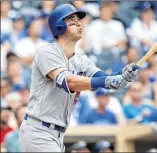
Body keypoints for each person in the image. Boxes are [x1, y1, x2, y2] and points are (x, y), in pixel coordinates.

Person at [18, 4, 138, 152]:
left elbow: (102, 78)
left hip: (56, 134)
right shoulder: (47, 52)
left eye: (79, 20)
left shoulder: (81, 59)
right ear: (59, 26)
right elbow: (68, 81)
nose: (79, 23)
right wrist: (108, 81)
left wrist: (122, 75)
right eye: (72, 20)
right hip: (38, 130)